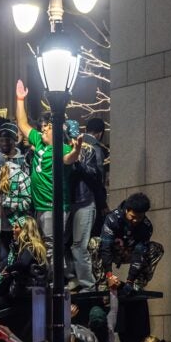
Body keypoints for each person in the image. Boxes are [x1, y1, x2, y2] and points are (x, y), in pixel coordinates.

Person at [16, 80, 82, 265]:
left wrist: (76, 150)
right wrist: (20, 99)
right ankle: (53, 281)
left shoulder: (62, 148)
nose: (43, 128)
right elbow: (22, 123)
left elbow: (69, 159)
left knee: (52, 246)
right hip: (40, 206)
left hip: (54, 207)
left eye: (48, 126)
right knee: (43, 245)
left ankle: (56, 285)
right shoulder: (38, 141)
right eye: (43, 126)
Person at [92, 193, 164, 295]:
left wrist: (130, 281)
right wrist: (109, 275)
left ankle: (138, 283)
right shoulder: (113, 219)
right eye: (133, 216)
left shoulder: (146, 226)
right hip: (113, 252)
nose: (136, 220)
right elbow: (105, 248)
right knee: (95, 243)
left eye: (140, 217)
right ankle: (103, 283)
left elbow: (139, 253)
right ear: (127, 210)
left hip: (130, 254)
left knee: (156, 248)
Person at [65, 119, 98, 292]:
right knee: (60, 242)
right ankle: (72, 277)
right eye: (68, 138)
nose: (71, 141)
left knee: (79, 245)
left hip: (84, 201)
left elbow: (94, 175)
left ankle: (88, 284)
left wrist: (77, 161)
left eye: (73, 138)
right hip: (67, 202)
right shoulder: (61, 149)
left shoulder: (88, 151)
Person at [82, 118, 109, 237]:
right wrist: (102, 202)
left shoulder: (74, 143)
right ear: (100, 133)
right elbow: (97, 177)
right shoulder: (96, 149)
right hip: (90, 198)